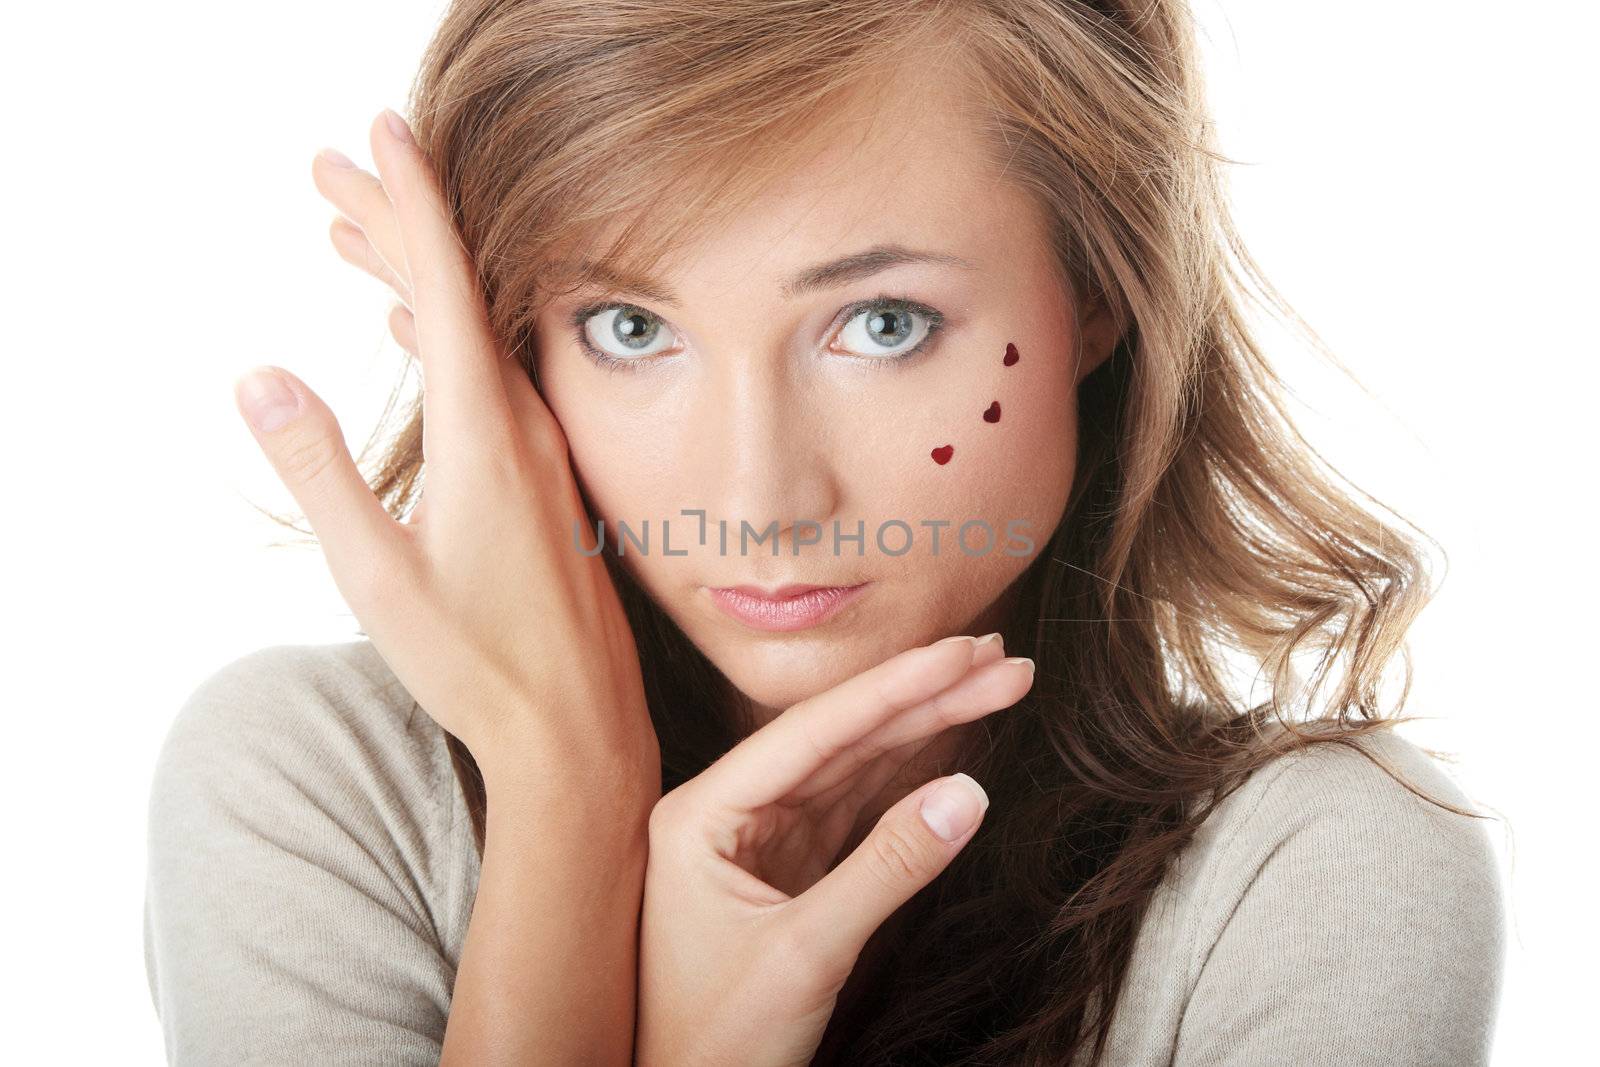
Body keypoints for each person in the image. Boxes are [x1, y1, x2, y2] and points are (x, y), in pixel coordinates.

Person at [142, 2, 1506, 1064]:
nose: (756, 500)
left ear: (1101, 290)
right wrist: (569, 797)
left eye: (883, 325)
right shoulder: (319, 790)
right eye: (630, 330)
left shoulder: (1312, 879)